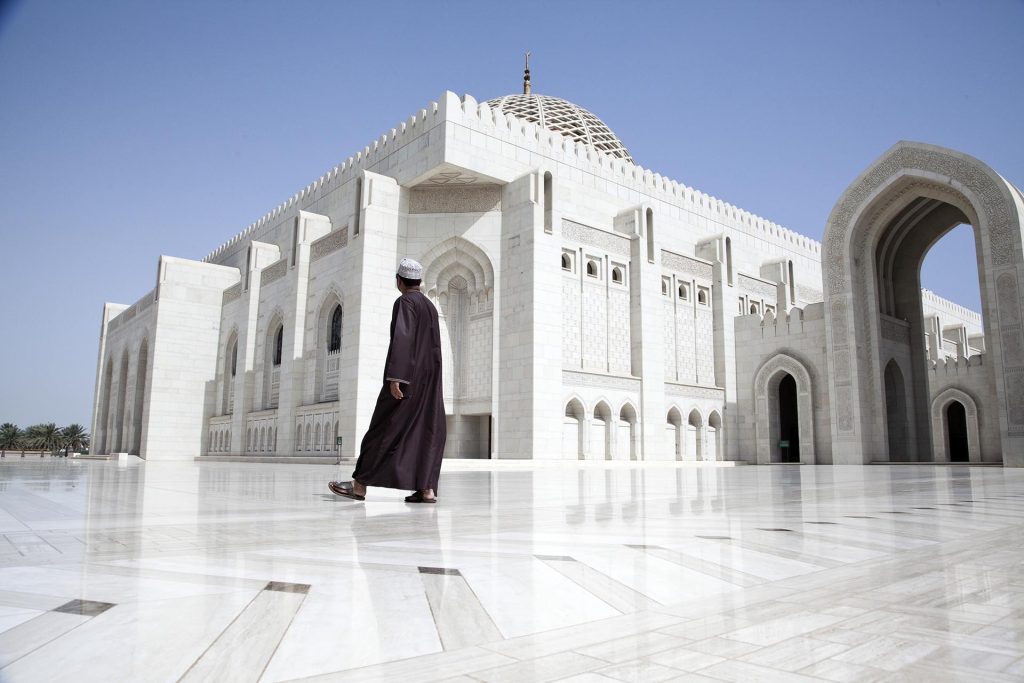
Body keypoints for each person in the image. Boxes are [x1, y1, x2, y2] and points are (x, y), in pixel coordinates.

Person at [329, 258, 446, 503]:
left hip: (406, 382)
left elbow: (403, 339)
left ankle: (359, 485)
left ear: (399, 280)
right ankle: (426, 489)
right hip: (429, 383)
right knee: (425, 432)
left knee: (383, 429)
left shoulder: (405, 302)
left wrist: (396, 378)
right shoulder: (430, 307)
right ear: (419, 281)